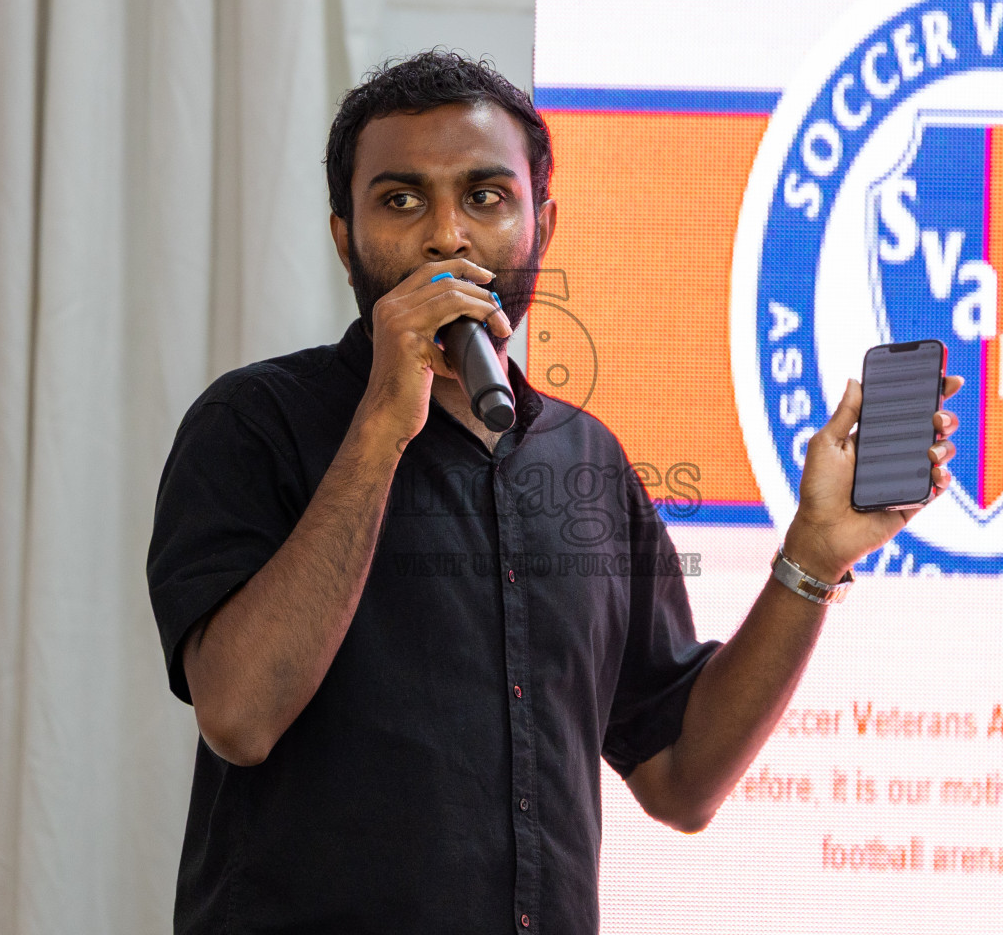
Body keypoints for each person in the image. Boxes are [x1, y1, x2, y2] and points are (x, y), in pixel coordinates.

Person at [146, 51, 960, 934]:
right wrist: (382, 424)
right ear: (344, 236)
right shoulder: (253, 424)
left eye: (487, 197)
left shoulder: (586, 462)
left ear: (544, 225)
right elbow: (239, 714)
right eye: (401, 199)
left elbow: (682, 778)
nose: (447, 235)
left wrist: (811, 555)